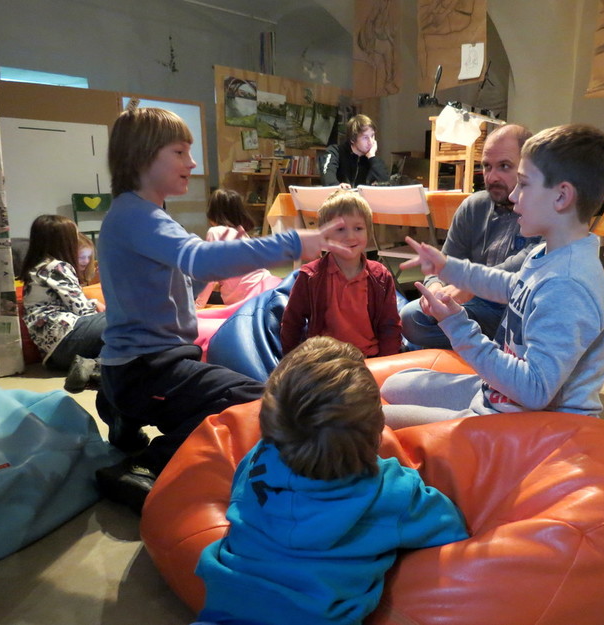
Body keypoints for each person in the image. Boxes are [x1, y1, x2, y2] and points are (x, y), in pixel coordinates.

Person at [94, 105, 354, 514]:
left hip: (140, 364)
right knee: (250, 399)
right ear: (142, 157)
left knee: (206, 385)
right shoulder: (137, 215)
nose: (192, 163)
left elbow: (185, 279)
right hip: (146, 369)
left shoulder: (137, 213)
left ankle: (120, 412)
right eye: (179, 152)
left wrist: (211, 272)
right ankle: (145, 465)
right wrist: (292, 242)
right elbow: (199, 261)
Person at [194, 336, 468, 625]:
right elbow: (450, 526)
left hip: (223, 612)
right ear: (378, 429)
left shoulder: (257, 458)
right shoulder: (392, 491)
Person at [381, 123, 604, 428]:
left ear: (562, 197)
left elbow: (535, 391)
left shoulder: (568, 285)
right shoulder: (548, 252)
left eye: (524, 184)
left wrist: (458, 326)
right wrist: (448, 267)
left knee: (371, 420)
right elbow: (510, 285)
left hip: (528, 422)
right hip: (503, 395)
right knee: (394, 385)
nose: (515, 195)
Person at [399, 123, 542, 349]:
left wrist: (470, 286)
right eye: (486, 166)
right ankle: (480, 348)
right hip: (472, 308)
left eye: (504, 166)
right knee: (412, 317)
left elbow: (524, 266)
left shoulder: (540, 210)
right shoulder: (474, 206)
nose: (492, 177)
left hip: (516, 309)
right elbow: (446, 261)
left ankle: (476, 348)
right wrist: (435, 289)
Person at [280, 189, 401, 357]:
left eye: (358, 228)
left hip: (369, 358)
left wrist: (387, 362)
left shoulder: (380, 276)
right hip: (326, 359)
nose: (350, 236)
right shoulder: (310, 277)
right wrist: (291, 361)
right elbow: (292, 323)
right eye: (340, 229)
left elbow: (390, 325)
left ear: (368, 231)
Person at [19, 214, 105, 392]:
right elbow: (83, 311)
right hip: (65, 338)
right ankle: (101, 366)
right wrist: (98, 305)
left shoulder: (37, 267)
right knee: (129, 319)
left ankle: (92, 365)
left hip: (54, 356)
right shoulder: (56, 266)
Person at [194, 188, 278, 308]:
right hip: (267, 285)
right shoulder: (241, 233)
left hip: (249, 297)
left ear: (212, 212)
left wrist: (198, 305)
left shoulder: (215, 232)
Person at [319, 114, 390, 188]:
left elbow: (386, 185)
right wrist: (336, 186)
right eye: (365, 137)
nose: (371, 142)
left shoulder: (373, 160)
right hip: (341, 194)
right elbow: (327, 176)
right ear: (353, 139)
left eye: (372, 136)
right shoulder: (335, 152)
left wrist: (372, 157)